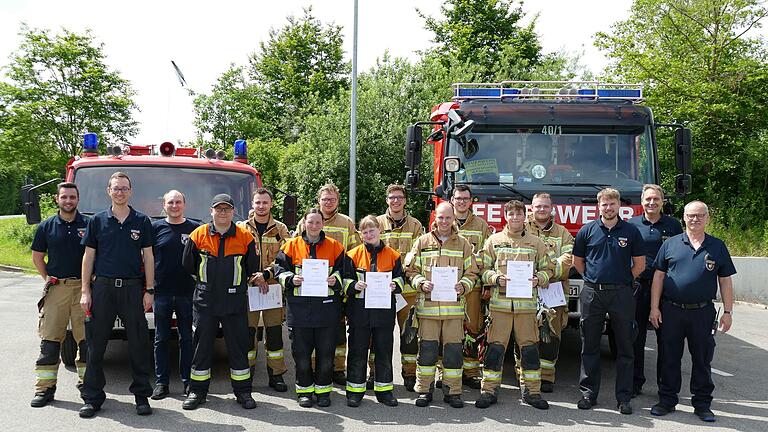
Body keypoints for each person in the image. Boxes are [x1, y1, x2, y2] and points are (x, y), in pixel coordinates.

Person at [649, 200, 735, 423]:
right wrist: (654, 307)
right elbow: (658, 277)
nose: (695, 219)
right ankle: (667, 400)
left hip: (702, 313)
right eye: (690, 215)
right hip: (672, 311)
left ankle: (702, 404)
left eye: (699, 215)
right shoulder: (670, 244)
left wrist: (727, 312)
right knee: (669, 357)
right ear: (683, 217)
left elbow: (725, 281)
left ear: (707, 218)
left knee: (702, 359)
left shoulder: (717, 246)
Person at [79, 172, 155, 418]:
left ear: (130, 191)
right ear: (108, 191)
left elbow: (149, 257)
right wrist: (85, 290)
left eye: (124, 188)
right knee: (95, 345)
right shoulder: (97, 221)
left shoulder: (142, 221)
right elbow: (88, 256)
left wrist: (150, 290)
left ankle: (142, 396)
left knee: (138, 344)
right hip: (102, 288)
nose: (120, 192)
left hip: (133, 288)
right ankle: (92, 398)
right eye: (116, 188)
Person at [181, 194, 259, 410]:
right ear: (211, 211)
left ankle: (243, 393)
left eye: (227, 209)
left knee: (238, 348)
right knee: (201, 348)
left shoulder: (245, 237)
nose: (222, 212)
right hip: (205, 302)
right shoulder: (198, 235)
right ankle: (197, 392)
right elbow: (188, 266)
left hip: (234, 303)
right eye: (219, 209)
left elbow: (251, 267)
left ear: (233, 212)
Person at [475, 200, 555, 410]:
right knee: (494, 350)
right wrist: (494, 278)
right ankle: (489, 391)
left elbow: (549, 269)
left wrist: (539, 278)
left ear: (524, 216)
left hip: (526, 309)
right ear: (506, 216)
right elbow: (482, 269)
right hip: (499, 308)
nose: (515, 218)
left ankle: (532, 392)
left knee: (529, 350)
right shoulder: (493, 241)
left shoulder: (536, 243)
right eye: (511, 214)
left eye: (519, 214)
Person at [572, 187, 644, 414]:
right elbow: (578, 262)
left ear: (619, 206)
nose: (609, 207)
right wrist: (594, 280)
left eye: (613, 203)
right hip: (593, 293)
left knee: (625, 346)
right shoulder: (587, 230)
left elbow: (639, 265)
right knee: (589, 345)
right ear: (598, 206)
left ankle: (623, 397)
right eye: (605, 203)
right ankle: (588, 394)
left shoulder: (631, 232)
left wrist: (621, 281)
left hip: (622, 294)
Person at [406, 202, 478, 408]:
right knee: (427, 351)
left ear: (454, 219)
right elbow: (410, 270)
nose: (444, 222)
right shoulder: (422, 242)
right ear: (434, 218)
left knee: (454, 353)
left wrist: (463, 286)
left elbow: (472, 272)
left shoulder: (463, 244)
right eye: (441, 217)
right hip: (428, 310)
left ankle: (453, 391)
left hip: (454, 312)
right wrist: (420, 282)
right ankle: (424, 390)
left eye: (448, 218)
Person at [275, 208, 347, 408]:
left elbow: (345, 271)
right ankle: (304, 391)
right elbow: (278, 269)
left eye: (317, 222)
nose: (314, 226)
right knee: (302, 355)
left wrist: (336, 279)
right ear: (304, 223)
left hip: (326, 310)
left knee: (326, 354)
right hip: (299, 311)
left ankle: (324, 392)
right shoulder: (291, 246)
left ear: (323, 224)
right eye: (310, 222)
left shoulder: (335, 246)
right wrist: (290, 278)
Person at [30, 182, 89, 408]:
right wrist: (48, 279)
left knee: (86, 341)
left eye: (72, 197)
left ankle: (88, 387)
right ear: (57, 199)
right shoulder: (47, 226)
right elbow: (37, 257)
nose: (68, 201)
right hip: (57, 289)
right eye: (64, 197)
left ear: (78, 199)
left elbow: (95, 255)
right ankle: (44, 389)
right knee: (50, 340)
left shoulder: (89, 224)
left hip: (83, 289)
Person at [296, 183, 360, 386]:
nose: (328, 202)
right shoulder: (306, 221)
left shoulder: (347, 223)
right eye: (325, 199)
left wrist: (345, 279)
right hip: (311, 286)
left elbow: (354, 253)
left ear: (338, 200)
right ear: (319, 201)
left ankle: (338, 368)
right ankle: (315, 367)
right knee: (314, 329)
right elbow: (296, 249)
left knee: (338, 328)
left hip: (335, 284)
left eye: (332, 199)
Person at [627, 184, 682, 397]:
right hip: (638, 287)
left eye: (656, 199)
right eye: (648, 199)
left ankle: (664, 386)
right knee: (635, 337)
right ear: (641, 202)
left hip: (667, 288)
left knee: (666, 338)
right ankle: (635, 383)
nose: (652, 203)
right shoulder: (631, 225)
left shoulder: (674, 226)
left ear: (662, 201)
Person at [343, 215, 403, 407]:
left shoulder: (394, 255)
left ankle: (385, 392)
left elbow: (401, 278)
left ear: (379, 230)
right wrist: (354, 285)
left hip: (384, 312)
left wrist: (396, 284)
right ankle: (354, 391)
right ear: (361, 235)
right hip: (359, 312)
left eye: (372, 230)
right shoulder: (352, 255)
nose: (369, 234)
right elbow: (344, 281)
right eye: (365, 232)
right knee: (357, 351)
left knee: (384, 351)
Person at [238, 188, 291, 392]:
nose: (261, 206)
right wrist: (254, 276)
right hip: (249, 288)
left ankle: (276, 375)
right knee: (248, 332)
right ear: (252, 204)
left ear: (271, 204)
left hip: (273, 288)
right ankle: (247, 373)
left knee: (275, 333)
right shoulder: (241, 228)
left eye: (265, 203)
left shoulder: (281, 229)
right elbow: (238, 258)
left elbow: (285, 258)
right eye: (258, 202)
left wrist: (266, 275)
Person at [150, 190, 199, 400]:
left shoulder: (195, 228)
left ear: (185, 204)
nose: (175, 205)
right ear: (164, 205)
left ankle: (188, 382)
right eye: (171, 202)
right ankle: (162, 383)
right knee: (160, 339)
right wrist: (149, 288)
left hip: (187, 292)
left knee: (186, 338)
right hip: (161, 292)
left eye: (178, 202)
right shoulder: (155, 228)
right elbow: (147, 258)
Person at [377, 184, 423, 392]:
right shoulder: (376, 223)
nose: (396, 201)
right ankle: (375, 373)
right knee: (378, 333)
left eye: (399, 197)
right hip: (381, 291)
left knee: (409, 334)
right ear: (387, 200)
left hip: (408, 292)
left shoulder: (415, 226)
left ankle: (410, 373)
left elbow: (420, 257)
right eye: (392, 197)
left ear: (405, 200)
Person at [526, 192, 574, 394]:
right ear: (532, 208)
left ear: (551, 209)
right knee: (526, 334)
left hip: (553, 291)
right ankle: (526, 375)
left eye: (545, 206)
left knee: (552, 334)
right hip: (526, 290)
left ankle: (546, 376)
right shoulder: (521, 229)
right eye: (538, 206)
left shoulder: (563, 233)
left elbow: (567, 258)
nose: (541, 210)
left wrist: (545, 273)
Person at [451, 185, 492, 389]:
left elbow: (486, 257)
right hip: (447, 288)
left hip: (473, 287)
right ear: (452, 200)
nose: (461, 202)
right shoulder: (443, 222)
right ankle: (445, 372)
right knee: (448, 329)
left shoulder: (481, 225)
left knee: (473, 329)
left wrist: (486, 285)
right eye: (458, 198)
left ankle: (471, 372)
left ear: (471, 201)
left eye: (465, 199)